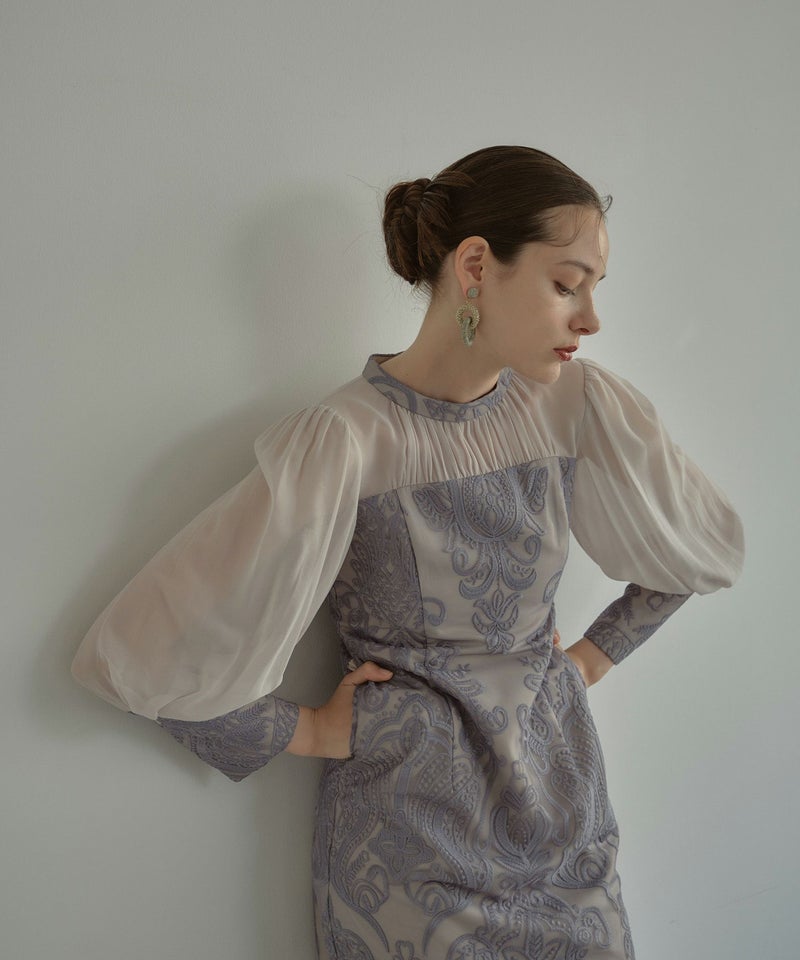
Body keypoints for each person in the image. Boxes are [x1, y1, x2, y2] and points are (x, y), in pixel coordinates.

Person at [72, 145, 744, 960]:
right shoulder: (346, 439)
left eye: (595, 288)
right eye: (567, 285)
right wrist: (309, 729)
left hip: (566, 821)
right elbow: (145, 652)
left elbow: (697, 550)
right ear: (475, 267)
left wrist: (584, 664)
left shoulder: (578, 404)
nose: (590, 318)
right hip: (408, 845)